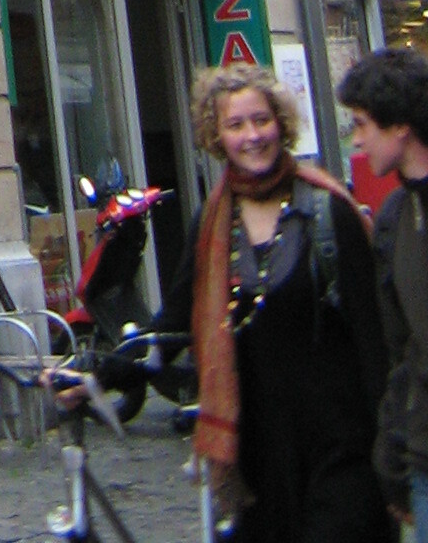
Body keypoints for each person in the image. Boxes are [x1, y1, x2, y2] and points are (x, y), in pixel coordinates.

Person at [156, 62, 385, 543]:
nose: (252, 136)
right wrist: (101, 372)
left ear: (281, 124)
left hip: (340, 447)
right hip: (259, 458)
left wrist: (390, 448)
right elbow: (175, 321)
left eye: (261, 120)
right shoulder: (213, 223)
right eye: (236, 125)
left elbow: (373, 336)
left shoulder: (327, 209)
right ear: (217, 136)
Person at [335, 45, 428, 543]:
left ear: (400, 126)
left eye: (362, 124)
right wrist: (392, 450)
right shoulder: (394, 216)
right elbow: (401, 348)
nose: (357, 139)